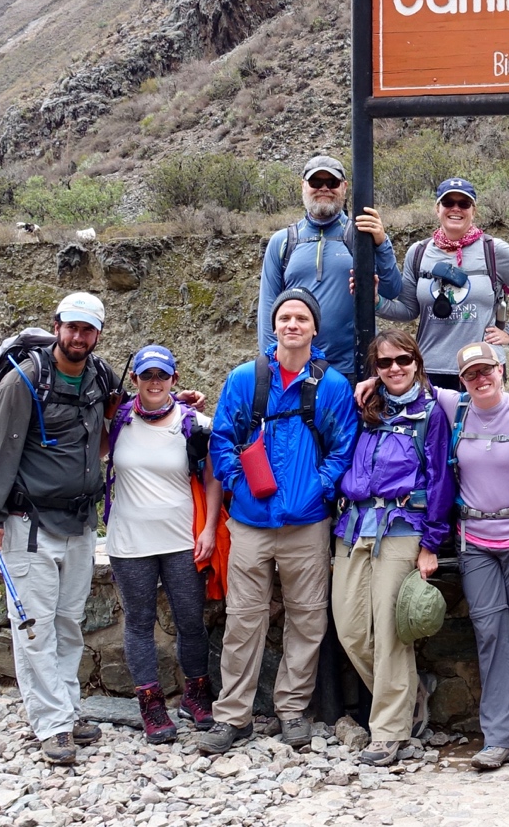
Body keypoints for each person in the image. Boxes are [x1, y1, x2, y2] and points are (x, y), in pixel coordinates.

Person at [200, 288, 358, 756]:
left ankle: (292, 711)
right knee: (243, 620)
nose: (292, 325)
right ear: (275, 326)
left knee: (306, 619)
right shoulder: (246, 379)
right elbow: (222, 440)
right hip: (250, 521)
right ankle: (233, 716)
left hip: (306, 523)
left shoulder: (332, 386)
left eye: (301, 318)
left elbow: (342, 448)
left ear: (314, 328)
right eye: (285, 317)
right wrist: (238, 485)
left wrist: (318, 488)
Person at [0, 292, 122, 765]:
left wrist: (178, 400)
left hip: (79, 522)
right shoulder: (25, 380)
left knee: (68, 622)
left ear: (97, 334)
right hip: (27, 522)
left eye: (87, 329)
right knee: (34, 627)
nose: (78, 337)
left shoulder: (98, 377)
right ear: (56, 326)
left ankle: (67, 708)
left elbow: (121, 413)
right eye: (71, 327)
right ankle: (51, 723)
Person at [332, 329, 454, 766]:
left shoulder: (431, 413)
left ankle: (388, 732)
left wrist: (432, 542)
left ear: (417, 362)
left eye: (403, 359)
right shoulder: (365, 407)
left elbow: (441, 479)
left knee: (389, 633)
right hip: (353, 525)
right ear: (375, 370)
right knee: (349, 628)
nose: (395, 369)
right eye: (384, 363)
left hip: (402, 526)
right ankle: (412, 692)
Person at [439, 341, 509, 770]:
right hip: (474, 541)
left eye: (487, 370)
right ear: (461, 380)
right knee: (490, 631)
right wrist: (373, 378)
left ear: (502, 369)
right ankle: (500, 736)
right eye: (471, 374)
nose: (480, 379)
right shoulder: (454, 408)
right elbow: (404, 380)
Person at [102, 344, 218, 743]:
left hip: (182, 537)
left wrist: (209, 530)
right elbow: (90, 449)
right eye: (146, 375)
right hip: (129, 539)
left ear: (175, 378)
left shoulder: (194, 422)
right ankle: (150, 704)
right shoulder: (117, 421)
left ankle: (196, 696)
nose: (155, 383)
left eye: (162, 376)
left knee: (190, 621)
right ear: (134, 380)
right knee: (138, 622)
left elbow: (212, 478)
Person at [376, 177, 509, 390]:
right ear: (437, 208)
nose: (456, 208)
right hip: (430, 370)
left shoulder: (494, 250)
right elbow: (408, 310)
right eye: (448, 203)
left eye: (464, 204)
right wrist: (375, 302)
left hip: (482, 369)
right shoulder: (418, 253)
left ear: (474, 211)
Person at [257, 154, 401, 374]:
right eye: (316, 182)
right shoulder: (282, 242)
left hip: (352, 369)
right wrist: (271, 364)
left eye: (332, 183)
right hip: (296, 368)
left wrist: (381, 243)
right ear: (303, 186)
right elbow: (269, 306)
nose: (324, 188)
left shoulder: (363, 235)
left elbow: (392, 291)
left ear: (344, 187)